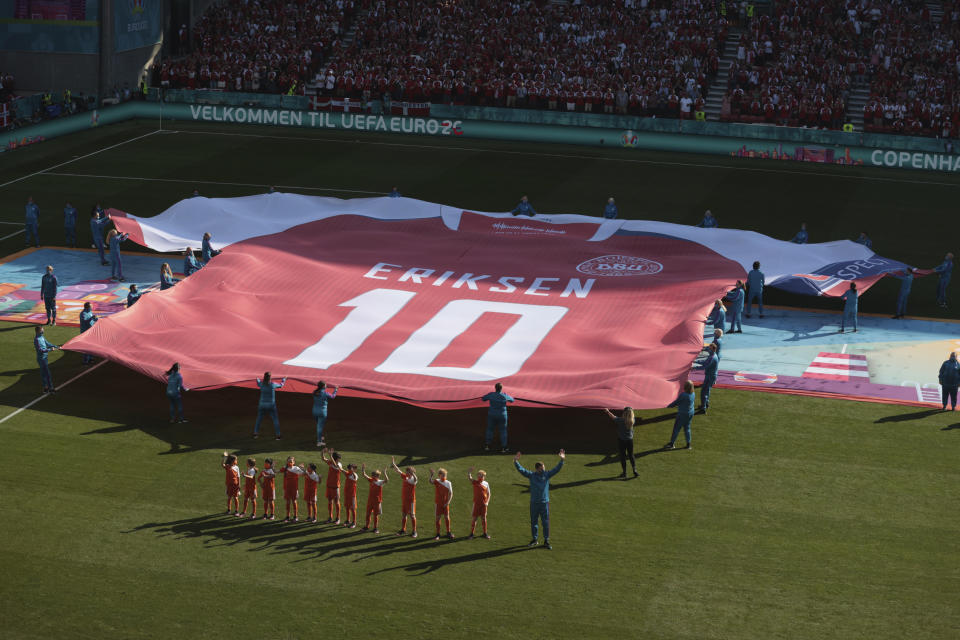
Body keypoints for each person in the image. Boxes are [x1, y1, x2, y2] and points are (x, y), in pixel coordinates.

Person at [514, 449, 565, 549]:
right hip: (534, 503)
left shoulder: (546, 475)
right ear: (538, 469)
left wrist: (562, 460)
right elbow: (521, 470)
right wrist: (516, 461)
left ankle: (546, 541)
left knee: (545, 522)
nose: (544, 470)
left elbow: (556, 469)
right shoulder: (532, 475)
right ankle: (535, 539)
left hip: (544, 503)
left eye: (544, 468)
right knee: (534, 522)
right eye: (542, 468)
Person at [603, 407, 638, 478]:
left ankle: (624, 473)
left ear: (624, 413)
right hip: (630, 440)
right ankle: (634, 470)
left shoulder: (621, 420)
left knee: (623, 456)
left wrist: (607, 411)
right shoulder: (632, 420)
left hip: (622, 440)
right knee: (631, 455)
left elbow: (613, 417)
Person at [481, 382, 514, 452]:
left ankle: (487, 446)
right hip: (502, 415)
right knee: (503, 431)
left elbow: (483, 399)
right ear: (501, 388)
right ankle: (504, 447)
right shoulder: (504, 395)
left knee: (490, 430)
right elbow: (512, 400)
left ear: (495, 388)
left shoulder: (491, 394)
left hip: (492, 415)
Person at [391, 456, 418, 537]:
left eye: (408, 472)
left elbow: (416, 479)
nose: (406, 473)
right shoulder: (406, 476)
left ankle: (414, 531)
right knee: (404, 514)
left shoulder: (413, 479)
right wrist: (393, 463)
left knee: (412, 515)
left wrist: (413, 473)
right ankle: (403, 529)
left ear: (411, 473)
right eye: (406, 472)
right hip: (405, 499)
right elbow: (398, 471)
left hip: (411, 500)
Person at [253, 371, 285, 439]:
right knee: (275, 419)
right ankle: (278, 435)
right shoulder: (273, 384)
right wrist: (284, 379)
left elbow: (258, 382)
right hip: (271, 405)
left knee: (259, 419)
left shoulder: (261, 384)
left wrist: (257, 378)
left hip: (262, 404)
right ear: (270, 377)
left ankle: (255, 433)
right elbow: (281, 385)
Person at [665, 381, 696, 450]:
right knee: (687, 428)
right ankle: (688, 444)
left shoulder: (683, 395)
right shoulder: (693, 394)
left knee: (676, 429)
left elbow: (676, 402)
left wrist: (668, 405)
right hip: (690, 413)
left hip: (682, 414)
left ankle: (672, 444)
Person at [360, 464, 388, 532]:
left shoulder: (379, 482)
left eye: (373, 475)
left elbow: (386, 480)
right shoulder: (371, 480)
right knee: (368, 514)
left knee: (375, 515)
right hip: (370, 501)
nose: (372, 476)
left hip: (377, 501)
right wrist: (363, 469)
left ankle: (375, 528)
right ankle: (367, 526)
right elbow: (364, 475)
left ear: (377, 476)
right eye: (372, 475)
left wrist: (385, 473)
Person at [429, 467, 454, 540]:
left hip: (445, 504)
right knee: (438, 518)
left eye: (445, 475)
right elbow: (430, 482)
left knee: (447, 517)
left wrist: (448, 502)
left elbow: (451, 493)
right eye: (443, 475)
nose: (444, 477)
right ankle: (438, 534)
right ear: (439, 475)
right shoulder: (437, 481)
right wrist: (431, 475)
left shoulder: (448, 483)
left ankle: (448, 532)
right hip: (438, 504)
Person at [312, 381, 338, 447]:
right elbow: (333, 396)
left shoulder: (314, 392)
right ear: (323, 386)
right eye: (325, 385)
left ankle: (321, 437)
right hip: (322, 412)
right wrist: (336, 390)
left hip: (314, 411)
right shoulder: (325, 393)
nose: (326, 385)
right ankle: (319, 442)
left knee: (318, 425)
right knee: (319, 427)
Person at [467, 467, 491, 539]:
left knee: (484, 518)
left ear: (484, 476)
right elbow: (470, 478)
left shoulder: (486, 484)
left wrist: (487, 502)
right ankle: (471, 534)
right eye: (479, 475)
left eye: (482, 476)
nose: (480, 477)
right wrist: (469, 472)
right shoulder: (475, 482)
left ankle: (485, 533)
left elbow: (489, 494)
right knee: (475, 518)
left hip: (484, 504)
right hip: (476, 504)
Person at [34, 325, 59, 393]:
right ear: (39, 331)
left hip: (44, 358)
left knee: (44, 374)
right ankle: (50, 388)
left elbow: (47, 343)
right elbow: (40, 350)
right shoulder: (37, 340)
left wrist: (55, 346)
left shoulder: (41, 337)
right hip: (41, 359)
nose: (43, 330)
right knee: (47, 374)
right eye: (42, 330)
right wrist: (50, 349)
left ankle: (45, 388)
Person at [320, 448, 343, 524]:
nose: (339, 460)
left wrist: (330, 455)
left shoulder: (339, 464)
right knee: (330, 502)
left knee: (336, 502)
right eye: (339, 458)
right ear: (336, 458)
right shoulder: (330, 462)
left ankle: (338, 518)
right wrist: (322, 452)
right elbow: (323, 458)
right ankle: (330, 517)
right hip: (329, 485)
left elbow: (336, 465)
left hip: (336, 486)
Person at [280, 456, 304, 523]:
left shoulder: (296, 468)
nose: (289, 463)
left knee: (294, 502)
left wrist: (301, 468)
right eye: (288, 461)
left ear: (294, 462)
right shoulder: (285, 468)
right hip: (287, 488)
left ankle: (295, 517)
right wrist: (272, 466)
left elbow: (303, 474)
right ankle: (287, 516)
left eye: (291, 461)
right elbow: (277, 471)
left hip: (294, 488)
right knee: (287, 502)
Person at [697, 343, 719, 413]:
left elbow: (704, 366)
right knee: (707, 390)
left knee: (704, 392)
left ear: (712, 349)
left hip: (710, 376)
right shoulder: (713, 355)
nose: (708, 349)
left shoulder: (712, 357)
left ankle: (703, 408)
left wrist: (694, 368)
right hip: (711, 376)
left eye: (709, 348)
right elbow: (705, 362)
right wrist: (696, 361)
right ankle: (706, 404)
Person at [342, 463, 359, 528]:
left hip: (352, 495)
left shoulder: (355, 475)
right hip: (347, 494)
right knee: (347, 507)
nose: (349, 470)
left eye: (351, 468)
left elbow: (354, 476)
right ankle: (348, 520)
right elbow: (341, 470)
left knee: (353, 509)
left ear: (354, 469)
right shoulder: (348, 474)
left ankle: (354, 522)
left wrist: (352, 471)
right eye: (349, 469)